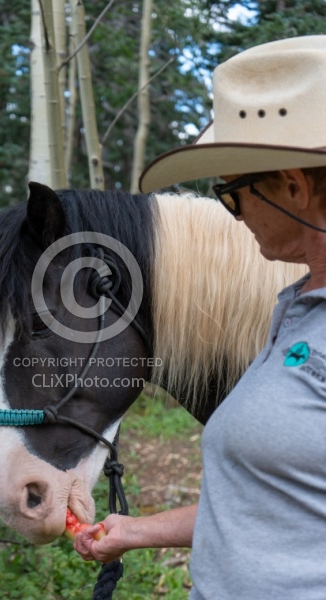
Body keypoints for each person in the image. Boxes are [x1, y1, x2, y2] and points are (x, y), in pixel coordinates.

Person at [74, 35, 326, 599]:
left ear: (294, 185)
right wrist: (136, 531)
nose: (230, 215)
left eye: (231, 194)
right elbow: (273, 503)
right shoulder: (297, 310)